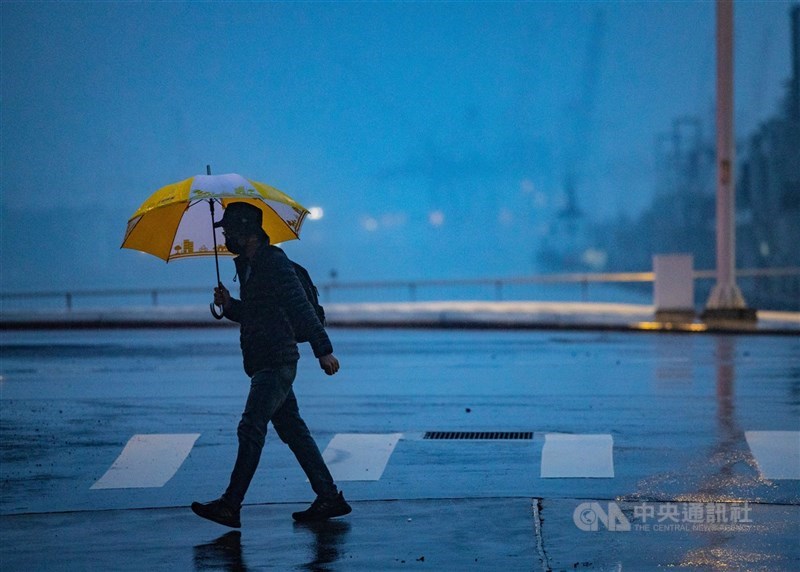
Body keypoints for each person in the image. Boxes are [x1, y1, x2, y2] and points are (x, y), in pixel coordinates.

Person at [191, 201, 351, 528]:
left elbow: (299, 306)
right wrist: (230, 305)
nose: (226, 238)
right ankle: (328, 497)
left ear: (249, 232)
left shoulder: (273, 262)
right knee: (292, 428)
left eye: (231, 231)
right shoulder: (250, 265)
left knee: (251, 426)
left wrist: (324, 350)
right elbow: (258, 314)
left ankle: (230, 504)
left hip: (277, 361)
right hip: (264, 359)